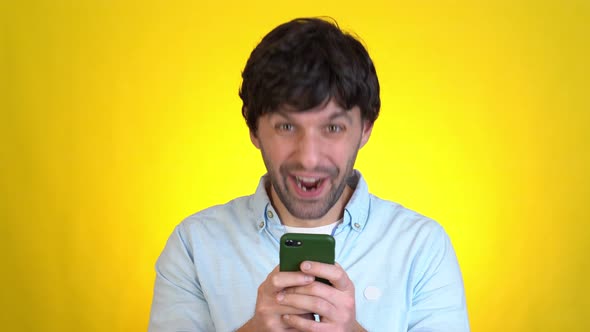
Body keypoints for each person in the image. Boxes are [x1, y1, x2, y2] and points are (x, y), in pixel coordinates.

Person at [149, 17, 470, 332]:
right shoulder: (193, 245)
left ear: (365, 129)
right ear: (254, 129)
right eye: (286, 126)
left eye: (333, 127)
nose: (309, 158)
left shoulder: (422, 246)